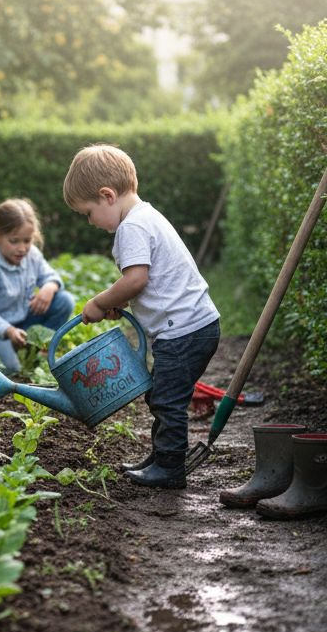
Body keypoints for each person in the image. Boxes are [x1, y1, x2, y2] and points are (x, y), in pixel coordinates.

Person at [62, 144, 220, 488]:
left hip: (183, 331)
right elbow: (150, 283)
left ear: (107, 196)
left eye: (88, 213)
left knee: (167, 399)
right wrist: (125, 302)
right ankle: (161, 456)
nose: (90, 222)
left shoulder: (131, 227)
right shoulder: (147, 215)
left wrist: (100, 302)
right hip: (195, 326)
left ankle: (169, 468)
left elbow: (136, 279)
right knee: (162, 394)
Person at [0, 198, 74, 374]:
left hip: (20, 320)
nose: (22, 248)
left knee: (64, 301)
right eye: (14, 241)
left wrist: (50, 286)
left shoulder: (32, 255)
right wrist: (8, 330)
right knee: (11, 370)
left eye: (27, 240)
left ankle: (34, 351)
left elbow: (50, 276)